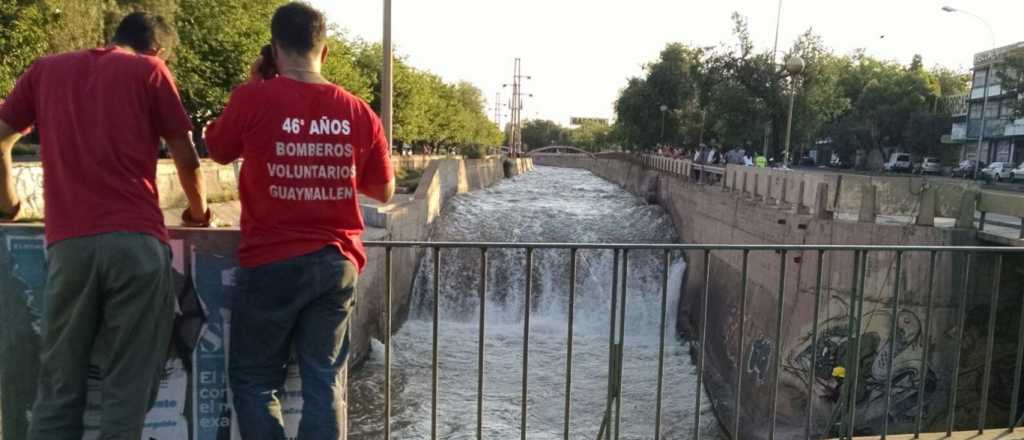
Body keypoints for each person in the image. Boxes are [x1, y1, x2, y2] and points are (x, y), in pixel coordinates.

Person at [0, 12, 209, 439]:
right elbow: (185, 157)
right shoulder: (150, 71)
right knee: (126, 390)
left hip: (68, 247)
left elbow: (1, 138)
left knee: (58, 387)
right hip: (136, 244)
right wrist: (198, 214)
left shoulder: (45, 70)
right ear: (160, 51)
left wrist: (9, 204)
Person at [204, 3, 395, 439]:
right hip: (336, 263)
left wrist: (255, 85)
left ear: (273, 49)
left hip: (270, 262)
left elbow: (216, 148)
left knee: (254, 380)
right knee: (323, 380)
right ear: (324, 52)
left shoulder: (253, 97)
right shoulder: (359, 111)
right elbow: (383, 191)